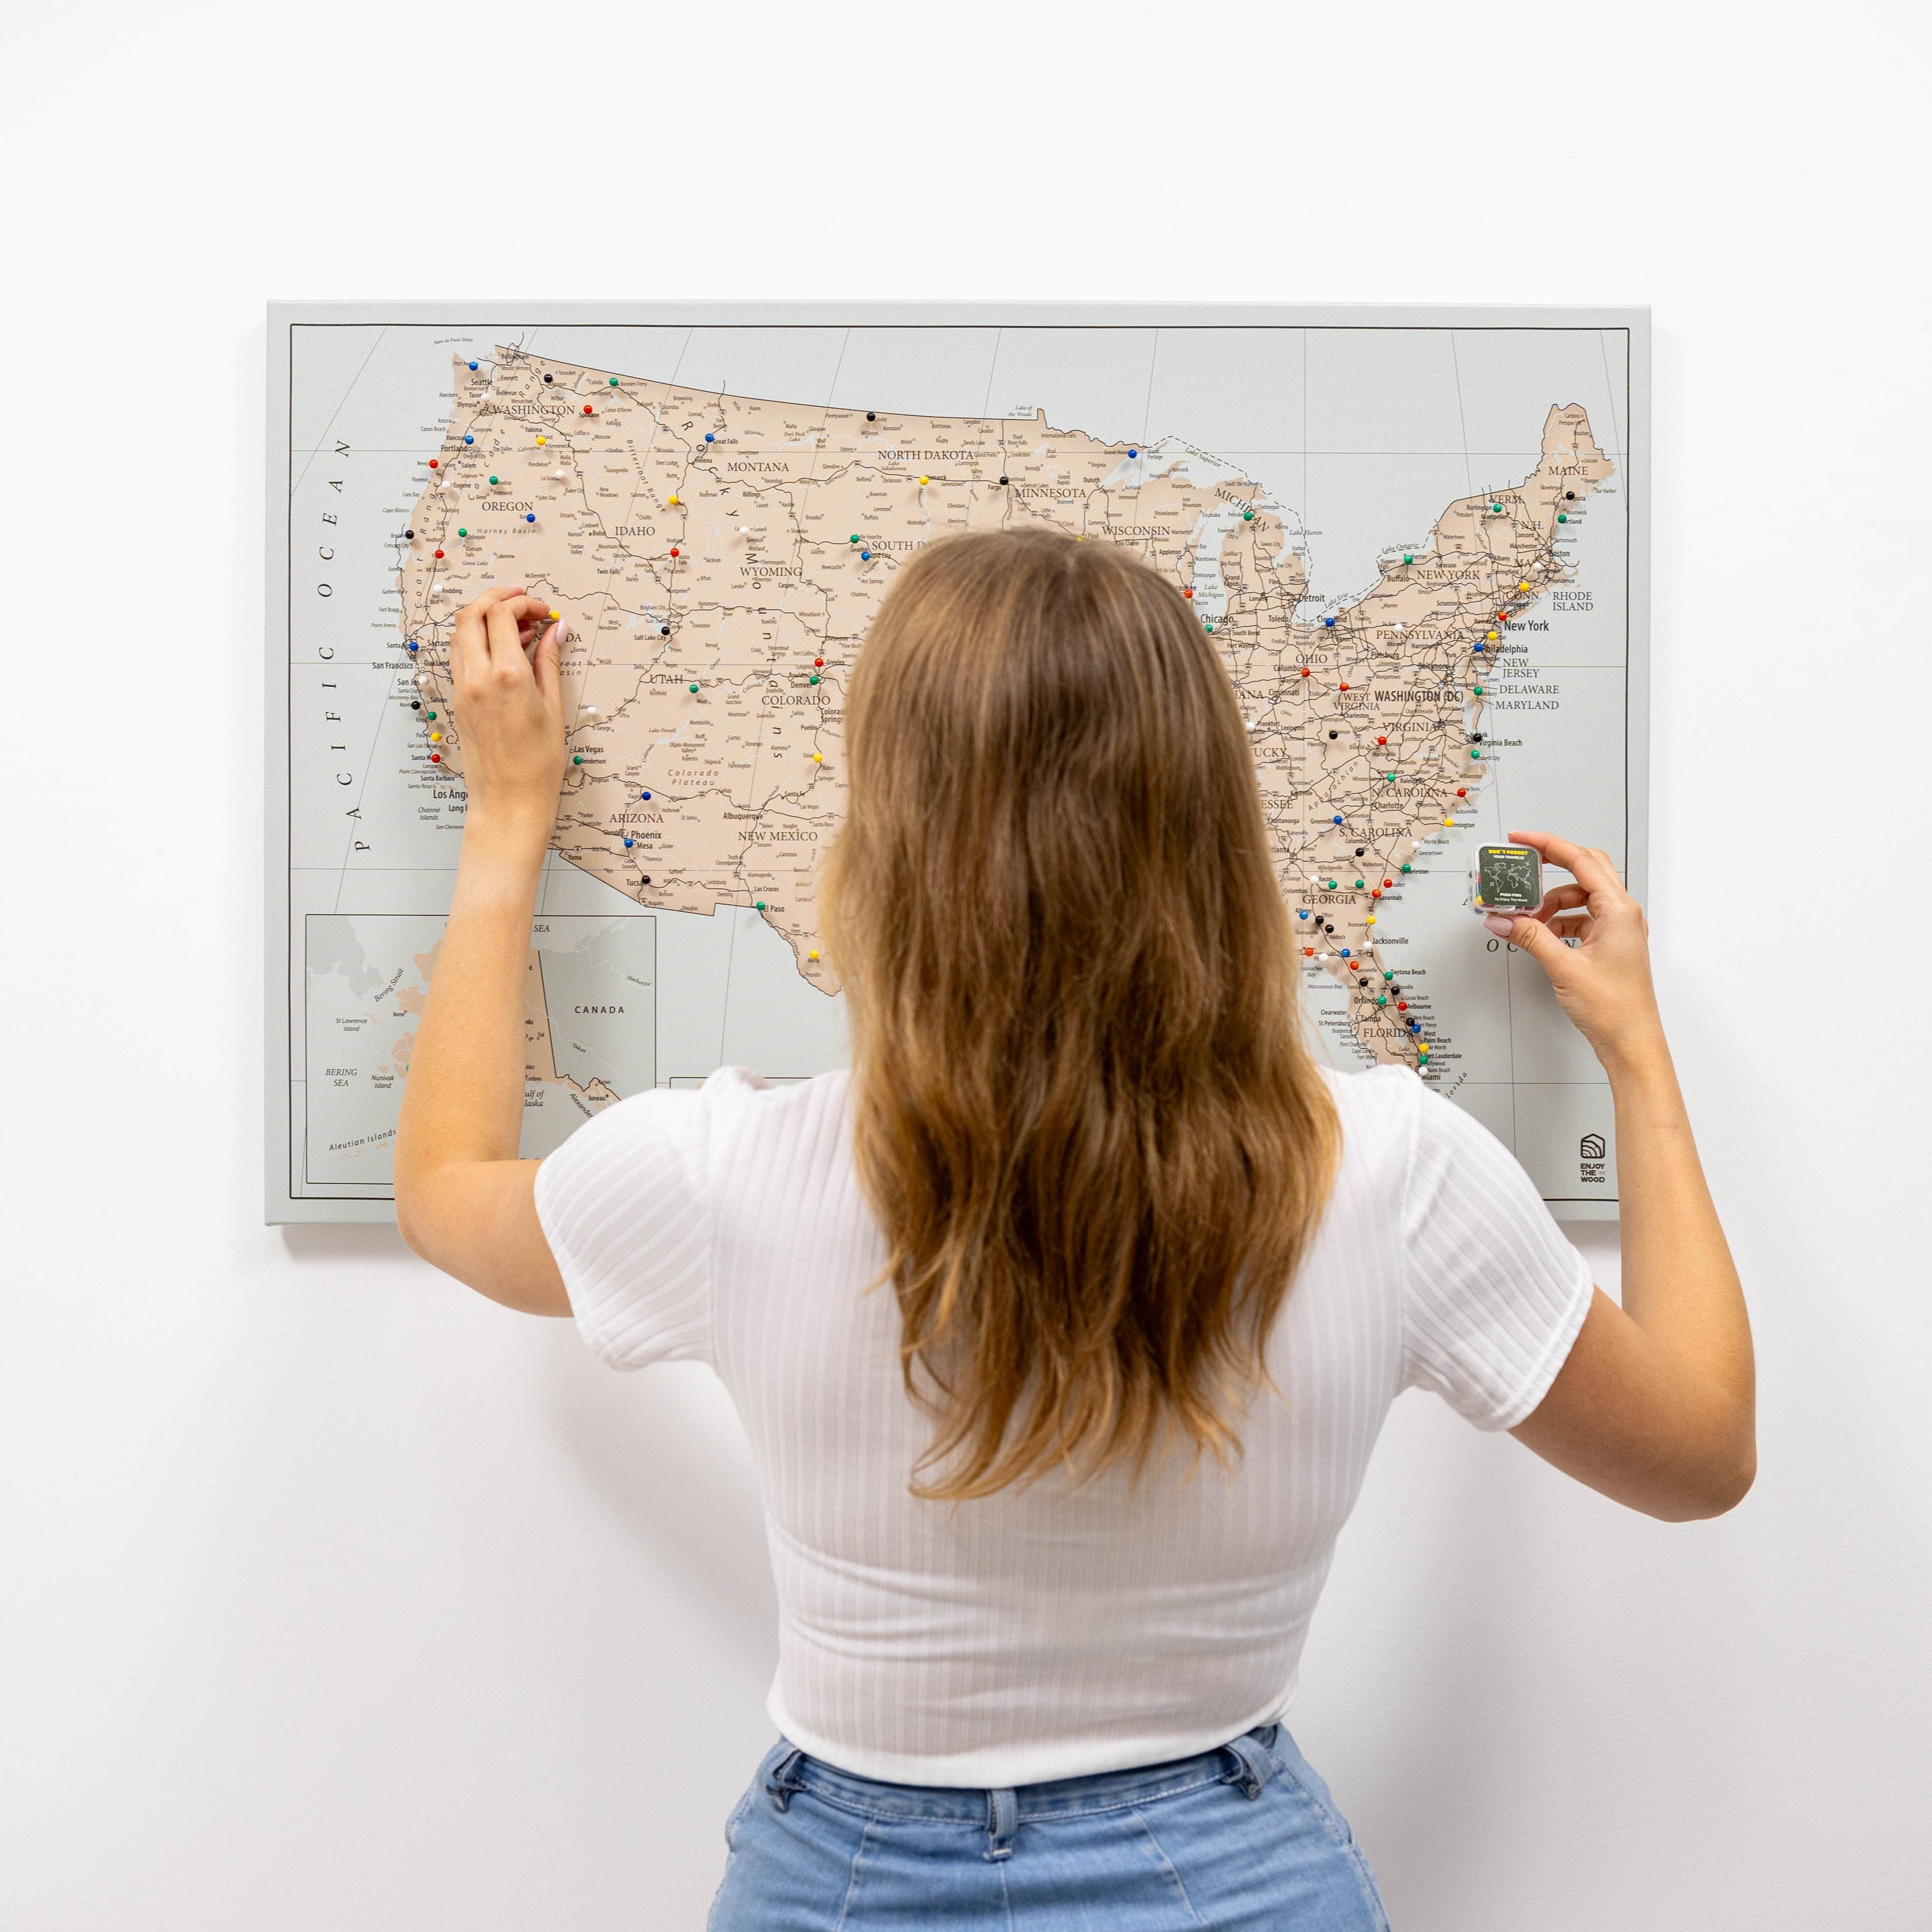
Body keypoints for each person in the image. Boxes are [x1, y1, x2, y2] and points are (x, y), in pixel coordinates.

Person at [394, 532, 1753, 1930]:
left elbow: (445, 1188)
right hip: (1234, 1887)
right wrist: (1636, 1052)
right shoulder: (1396, 1173)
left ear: (883, 831)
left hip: (841, 1889)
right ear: (1215, 818)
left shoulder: (726, 1174)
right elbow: (1696, 1454)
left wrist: (509, 814)